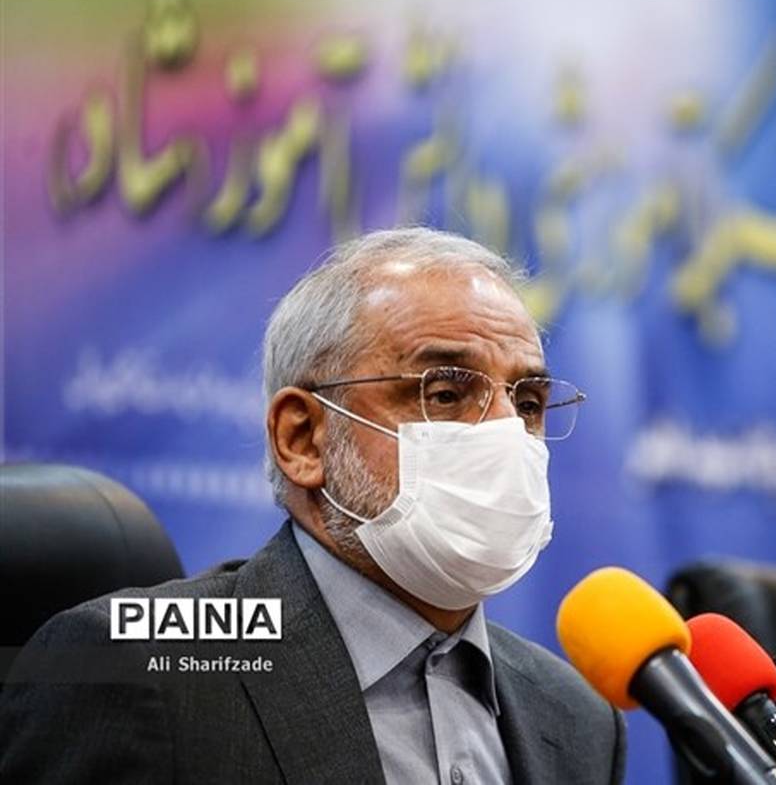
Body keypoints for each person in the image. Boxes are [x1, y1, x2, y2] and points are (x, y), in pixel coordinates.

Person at [0, 228, 626, 784]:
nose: (505, 433)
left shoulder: (574, 717)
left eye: (528, 404)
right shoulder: (135, 667)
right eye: (443, 393)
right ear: (302, 439)